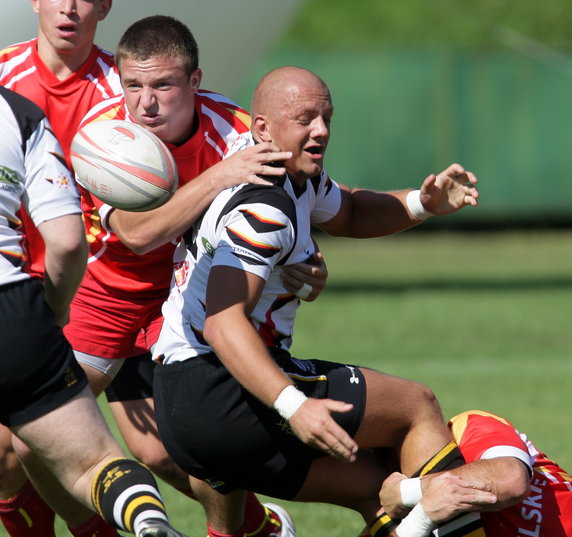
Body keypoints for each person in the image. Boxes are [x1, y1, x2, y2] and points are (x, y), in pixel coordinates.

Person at [150, 65, 493, 537]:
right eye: (305, 118)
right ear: (263, 129)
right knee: (416, 406)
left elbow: (348, 210)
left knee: (383, 494)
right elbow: (222, 323)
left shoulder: (293, 178)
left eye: (326, 117)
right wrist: (293, 405)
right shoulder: (266, 206)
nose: (321, 130)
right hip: (221, 389)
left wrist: (420, 203)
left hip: (181, 401)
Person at [9, 13, 317, 537]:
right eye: (134, 85)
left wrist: (303, 257)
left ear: (194, 82)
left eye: (163, 85)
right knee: (32, 437)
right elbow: (138, 233)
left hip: (192, 292)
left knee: (180, 448)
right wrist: (218, 178)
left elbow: (302, 199)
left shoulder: (239, 132)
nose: (146, 102)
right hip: (112, 294)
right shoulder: (101, 135)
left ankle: (248, 530)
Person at [0, 85, 188, 537]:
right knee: (93, 465)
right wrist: (54, 312)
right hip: (13, 310)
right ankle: (148, 521)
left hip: (128, 303)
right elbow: (67, 242)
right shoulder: (16, 112)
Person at [378, 409, 572, 536]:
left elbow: (510, 479)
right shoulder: (393, 519)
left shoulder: (469, 427)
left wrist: (407, 492)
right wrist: (422, 517)